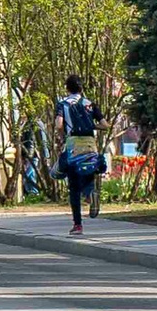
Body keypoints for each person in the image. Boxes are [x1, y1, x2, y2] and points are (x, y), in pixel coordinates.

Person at [55, 84, 104, 235]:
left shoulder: (63, 104)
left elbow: (59, 124)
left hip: (73, 146)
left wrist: (63, 134)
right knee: (88, 170)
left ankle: (78, 225)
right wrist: (90, 126)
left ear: (67, 89)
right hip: (90, 145)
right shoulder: (89, 104)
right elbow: (105, 125)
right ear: (81, 89)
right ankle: (90, 194)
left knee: (74, 186)